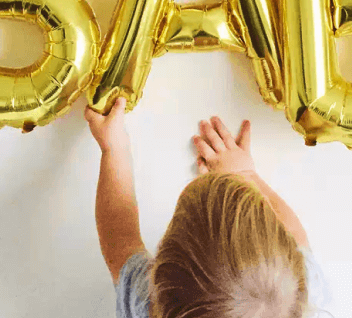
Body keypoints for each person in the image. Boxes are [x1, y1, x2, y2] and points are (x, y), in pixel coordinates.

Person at [85, 98, 331, 318]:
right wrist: (245, 173)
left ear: (157, 279)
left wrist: (113, 148)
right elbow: (297, 237)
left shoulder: (144, 304)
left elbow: (119, 236)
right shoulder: (307, 294)